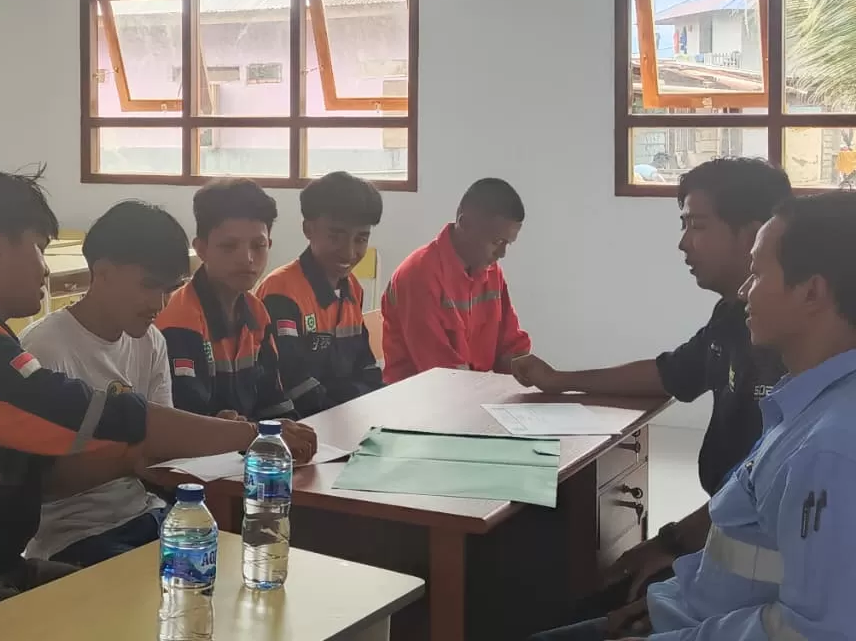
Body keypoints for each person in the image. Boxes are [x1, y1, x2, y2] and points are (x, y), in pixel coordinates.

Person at [0, 170, 290, 641]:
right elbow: (114, 417)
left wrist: (147, 451)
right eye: (38, 247)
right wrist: (253, 435)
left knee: (155, 600)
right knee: (135, 616)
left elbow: (66, 463)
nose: (45, 269)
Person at [530, 192, 856, 641]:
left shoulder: (831, 448)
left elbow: (814, 632)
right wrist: (664, 594)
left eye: (758, 273)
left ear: (811, 292)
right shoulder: (804, 402)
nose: (744, 290)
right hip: (688, 610)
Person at [512, 159, 791, 605]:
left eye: (697, 225)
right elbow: (670, 372)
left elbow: (760, 487)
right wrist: (559, 381)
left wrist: (673, 543)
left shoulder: (791, 344)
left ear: (753, 235)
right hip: (721, 534)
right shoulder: (732, 315)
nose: (683, 243)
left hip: (753, 563)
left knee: (586, 595)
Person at [19, 200, 189, 566]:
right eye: (149, 286)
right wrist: (131, 458)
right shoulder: (44, 348)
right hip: (73, 536)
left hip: (144, 513)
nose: (160, 303)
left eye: (170, 289)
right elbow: (37, 484)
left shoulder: (151, 341)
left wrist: (215, 434)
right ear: (103, 272)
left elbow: (160, 446)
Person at [154, 178, 315, 456]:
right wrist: (248, 431)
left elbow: (273, 402)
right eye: (229, 246)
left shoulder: (257, 312)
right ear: (201, 249)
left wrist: (292, 431)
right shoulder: (179, 321)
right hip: (198, 465)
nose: (247, 258)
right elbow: (186, 424)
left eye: (258, 245)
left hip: (246, 454)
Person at [257, 171, 385, 417]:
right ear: (308, 229)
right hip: (301, 424)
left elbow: (366, 368)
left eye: (361, 239)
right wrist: (352, 409)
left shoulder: (352, 288)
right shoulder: (281, 291)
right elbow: (295, 385)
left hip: (347, 417)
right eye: (335, 236)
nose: (349, 252)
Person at [381, 177, 531, 382]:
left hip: (471, 389)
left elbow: (509, 346)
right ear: (465, 223)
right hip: (419, 395)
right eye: (497, 242)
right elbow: (441, 377)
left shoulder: (491, 271)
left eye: (508, 243)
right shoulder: (419, 276)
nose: (502, 253)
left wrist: (528, 369)